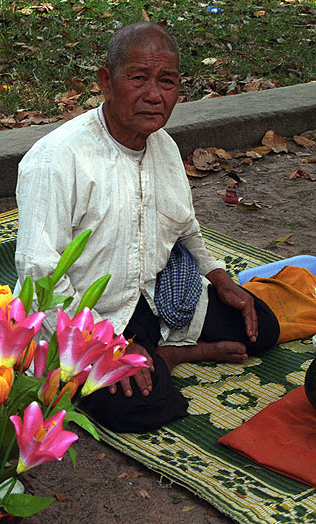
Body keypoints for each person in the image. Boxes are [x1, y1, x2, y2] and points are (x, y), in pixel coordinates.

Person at [15, 22, 279, 432]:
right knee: (147, 407)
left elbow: (185, 224)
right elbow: (39, 272)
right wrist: (110, 346)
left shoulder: (164, 146)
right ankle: (171, 356)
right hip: (80, 319)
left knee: (262, 326)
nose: (154, 95)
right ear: (106, 81)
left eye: (167, 81)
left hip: (147, 300)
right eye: (138, 78)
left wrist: (220, 278)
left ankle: (160, 350)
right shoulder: (56, 160)